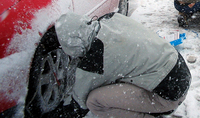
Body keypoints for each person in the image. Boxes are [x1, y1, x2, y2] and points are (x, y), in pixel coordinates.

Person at [55, 12, 191, 118]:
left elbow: (79, 101)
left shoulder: (96, 57)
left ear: (73, 44)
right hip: (179, 70)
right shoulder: (111, 18)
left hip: (168, 96)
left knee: (94, 101)